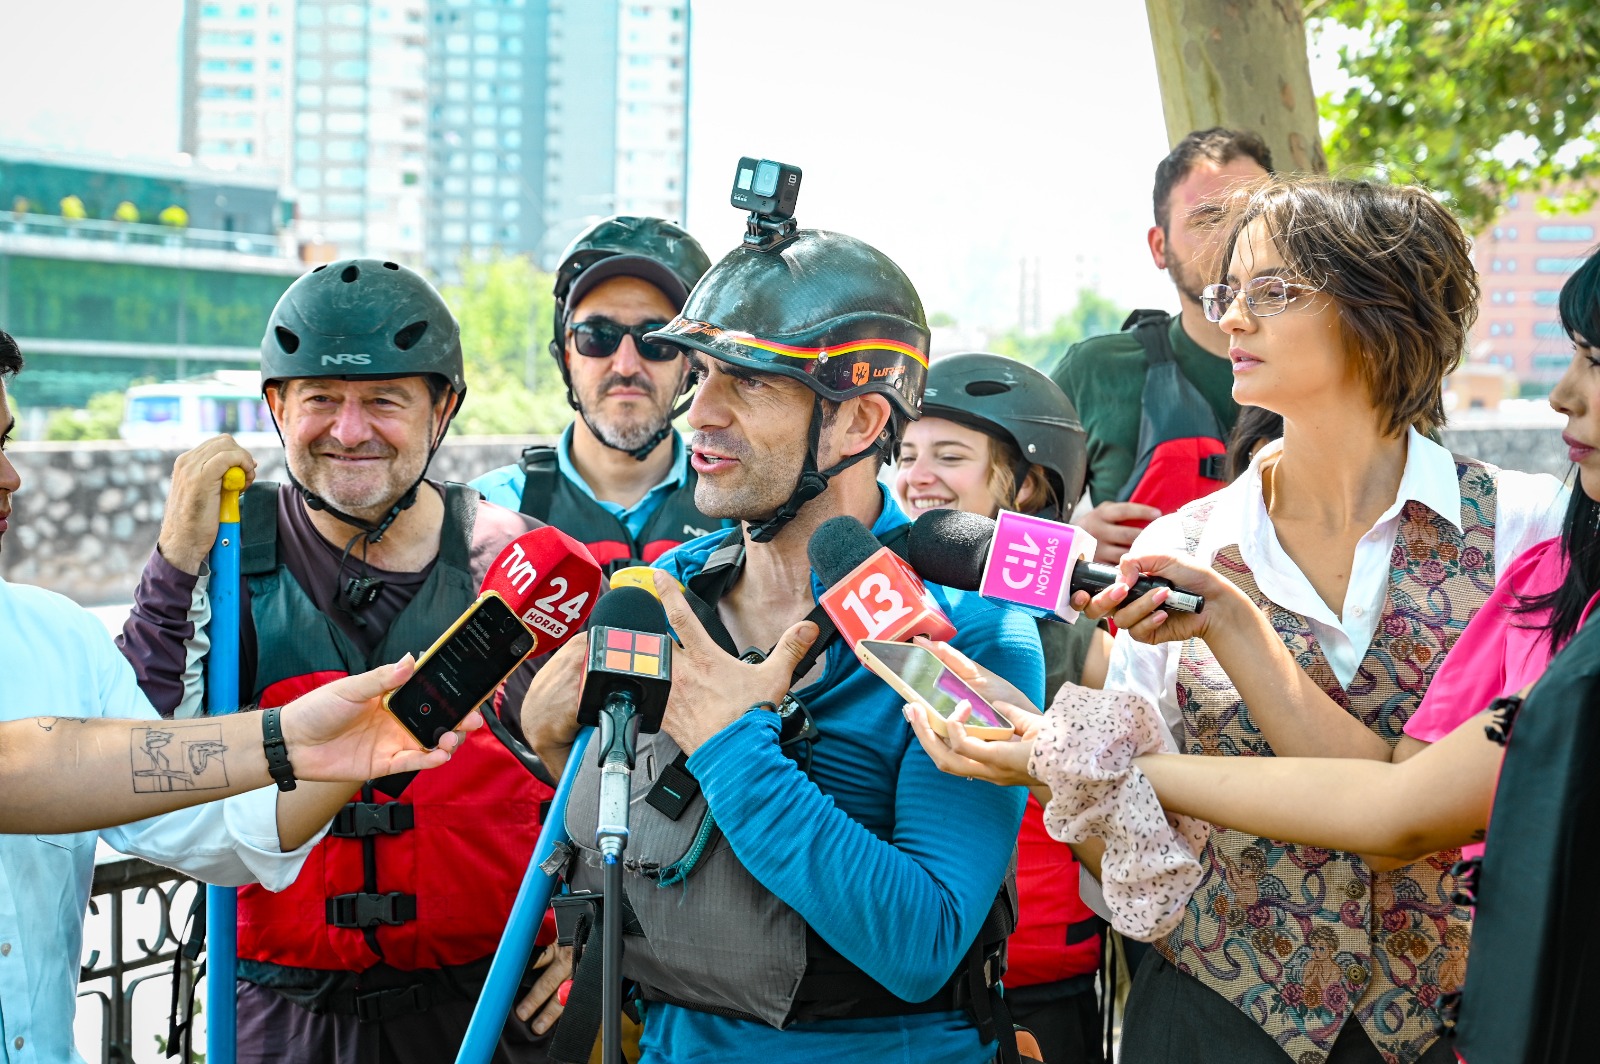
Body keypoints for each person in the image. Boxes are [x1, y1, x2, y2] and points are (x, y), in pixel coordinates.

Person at [917, 176, 1571, 1064]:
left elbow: (1488, 804)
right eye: (1230, 291)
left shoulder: (1530, 528)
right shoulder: (1181, 544)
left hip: (1460, 1025)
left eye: (1272, 291)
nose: (1230, 318)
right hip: (1212, 1019)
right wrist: (1054, 763)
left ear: (1381, 309)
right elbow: (1128, 845)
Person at [520, 221, 1046, 1064]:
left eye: (751, 382)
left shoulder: (970, 630)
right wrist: (555, 749)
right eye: (703, 375)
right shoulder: (665, 593)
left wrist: (732, 745)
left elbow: (924, 942)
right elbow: (634, 846)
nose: (700, 413)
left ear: (859, 420)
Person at [118, 262, 568, 1064]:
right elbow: (134, 762)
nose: (350, 431)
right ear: (277, 408)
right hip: (281, 1018)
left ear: (443, 409)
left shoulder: (518, 562)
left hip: (490, 1012)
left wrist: (598, 928)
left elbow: (617, 773)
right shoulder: (223, 558)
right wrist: (175, 556)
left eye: (385, 401)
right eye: (320, 399)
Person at [0, 332, 471, 1064]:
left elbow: (192, 819)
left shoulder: (59, 636)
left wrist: (343, 756)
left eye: (5, 441)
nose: (11, 477)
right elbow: (25, 769)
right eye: (322, 400)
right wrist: (285, 737)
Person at [893, 351, 1107, 1063]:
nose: (918, 476)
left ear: (1028, 486)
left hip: (1044, 983)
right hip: (911, 986)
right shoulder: (877, 608)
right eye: (906, 455)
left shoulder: (1084, 639)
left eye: (950, 457)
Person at [1048, 128, 1272, 564]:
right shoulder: (1095, 371)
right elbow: (1000, 513)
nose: (1235, 236)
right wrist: (1072, 543)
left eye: (1254, 215)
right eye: (1209, 218)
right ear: (1160, 246)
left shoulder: (1341, 367)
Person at [472, 216, 727, 572]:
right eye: (597, 335)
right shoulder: (487, 513)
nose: (625, 366)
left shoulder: (740, 512)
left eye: (654, 340)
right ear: (566, 353)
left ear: (689, 363)